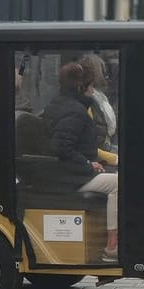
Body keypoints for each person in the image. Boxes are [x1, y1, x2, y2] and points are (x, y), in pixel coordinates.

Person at [42, 63, 119, 263]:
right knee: (119, 184)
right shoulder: (75, 112)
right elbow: (62, 147)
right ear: (80, 87)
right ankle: (112, 246)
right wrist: (88, 164)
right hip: (70, 176)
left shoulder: (59, 104)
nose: (93, 91)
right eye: (91, 86)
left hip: (63, 172)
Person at [79, 54, 117, 152]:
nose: (106, 74)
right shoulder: (88, 99)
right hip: (99, 150)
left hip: (106, 144)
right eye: (103, 70)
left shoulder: (100, 96)